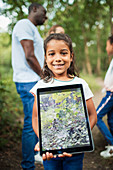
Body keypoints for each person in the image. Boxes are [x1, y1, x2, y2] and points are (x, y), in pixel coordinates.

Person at [30, 33, 97, 170]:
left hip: (75, 151)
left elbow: (92, 115)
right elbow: (36, 117)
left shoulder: (81, 84)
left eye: (63, 53)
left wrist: (78, 139)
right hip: (51, 150)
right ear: (46, 58)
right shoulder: (41, 85)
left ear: (71, 57)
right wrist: (44, 141)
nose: (58, 58)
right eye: (52, 54)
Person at [11, 2, 47, 170]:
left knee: (36, 121)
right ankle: (28, 166)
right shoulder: (24, 24)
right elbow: (29, 55)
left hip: (32, 81)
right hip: (28, 81)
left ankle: (33, 157)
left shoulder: (32, 28)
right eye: (43, 12)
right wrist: (43, 76)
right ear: (34, 9)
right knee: (30, 123)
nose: (45, 17)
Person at [96, 34, 113, 158]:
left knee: (96, 116)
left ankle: (112, 144)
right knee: (111, 120)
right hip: (109, 92)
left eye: (107, 45)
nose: (106, 48)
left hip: (111, 94)